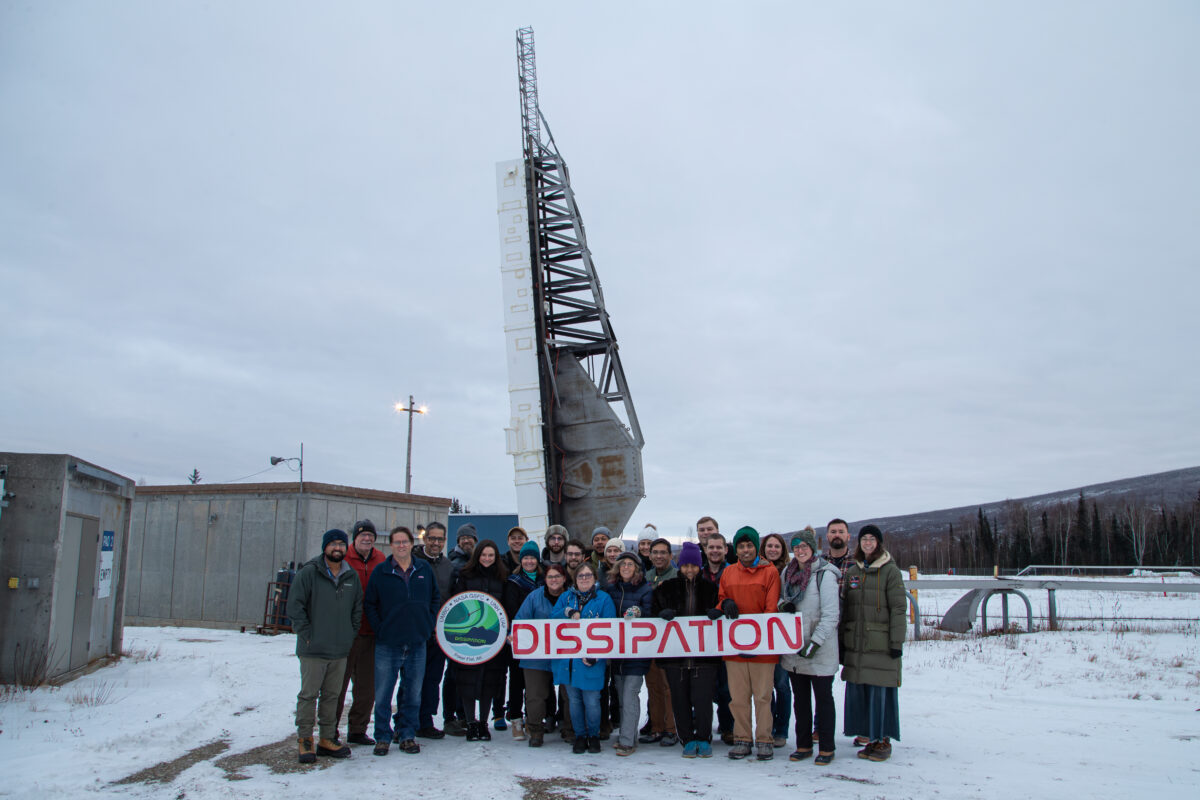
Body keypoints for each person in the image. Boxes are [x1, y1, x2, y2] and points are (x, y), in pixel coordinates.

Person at [287, 529, 363, 763]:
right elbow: (295, 606)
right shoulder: (310, 572)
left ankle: (327, 738)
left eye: (342, 544)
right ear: (325, 547)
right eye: (333, 544)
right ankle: (305, 740)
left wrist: (350, 633)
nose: (338, 548)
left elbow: (357, 608)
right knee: (309, 696)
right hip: (313, 649)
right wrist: (307, 634)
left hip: (339, 649)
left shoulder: (351, 577)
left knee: (332, 695)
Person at [365, 526, 439, 756]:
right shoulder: (381, 572)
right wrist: (381, 628)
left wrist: (428, 623)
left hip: (417, 641)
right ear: (391, 546)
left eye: (404, 542)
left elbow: (435, 597)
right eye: (396, 542)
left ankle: (407, 734)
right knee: (384, 693)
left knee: (412, 693)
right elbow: (370, 604)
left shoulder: (423, 569)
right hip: (389, 643)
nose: (401, 546)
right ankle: (382, 737)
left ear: (411, 543)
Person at [840, 525, 905, 762]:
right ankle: (868, 736)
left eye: (872, 539)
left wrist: (897, 641)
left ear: (879, 543)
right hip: (857, 643)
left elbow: (899, 608)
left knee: (880, 692)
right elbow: (847, 608)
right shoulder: (854, 571)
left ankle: (883, 740)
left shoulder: (890, 571)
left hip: (881, 644)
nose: (867, 543)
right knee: (861, 690)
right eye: (864, 539)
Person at [716, 526, 781, 761]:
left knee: (763, 696)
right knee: (738, 697)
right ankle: (742, 737)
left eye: (749, 546)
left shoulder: (769, 572)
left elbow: (771, 608)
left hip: (762, 647)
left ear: (756, 547)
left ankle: (764, 738)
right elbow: (721, 599)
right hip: (734, 648)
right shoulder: (728, 572)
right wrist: (724, 605)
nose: (745, 550)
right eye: (741, 546)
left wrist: (758, 641)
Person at [778, 529, 841, 765]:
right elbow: (783, 598)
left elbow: (831, 615)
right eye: (796, 547)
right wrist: (783, 605)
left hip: (820, 649)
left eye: (804, 547)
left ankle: (826, 746)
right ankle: (803, 744)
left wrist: (815, 643)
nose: (800, 551)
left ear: (813, 548)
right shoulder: (788, 572)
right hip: (795, 649)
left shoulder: (824, 575)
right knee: (800, 699)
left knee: (823, 698)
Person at [653, 541, 720, 759]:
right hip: (676, 657)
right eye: (685, 565)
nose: (689, 570)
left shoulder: (711, 589)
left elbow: (723, 609)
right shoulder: (667, 588)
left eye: (693, 566)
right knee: (679, 699)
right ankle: (687, 738)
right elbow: (652, 615)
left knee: (703, 700)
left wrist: (716, 612)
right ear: (679, 566)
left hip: (704, 657)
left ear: (700, 566)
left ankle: (703, 736)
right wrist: (661, 614)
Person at [552, 562, 616, 754]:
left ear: (595, 578)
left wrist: (598, 655)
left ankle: (594, 735)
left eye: (588, 575)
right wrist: (567, 612)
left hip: (591, 661)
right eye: (581, 576)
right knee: (574, 701)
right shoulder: (566, 597)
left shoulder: (603, 599)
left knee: (592, 701)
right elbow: (551, 617)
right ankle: (580, 735)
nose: (585, 579)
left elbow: (610, 628)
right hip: (569, 661)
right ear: (575, 579)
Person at [451, 539, 509, 742]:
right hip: (468, 638)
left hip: (493, 639)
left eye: (491, 555)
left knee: (489, 682)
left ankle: (484, 723)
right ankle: (470, 723)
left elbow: (506, 607)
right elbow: (456, 606)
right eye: (484, 555)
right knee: (467, 681)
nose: (487, 559)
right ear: (478, 556)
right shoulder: (465, 576)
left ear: (496, 557)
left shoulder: (502, 577)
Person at [334, 519, 385, 746]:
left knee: (366, 687)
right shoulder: (343, 559)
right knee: (337, 685)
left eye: (370, 535)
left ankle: (357, 729)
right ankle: (330, 729)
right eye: (362, 535)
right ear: (354, 538)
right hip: (346, 634)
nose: (367, 539)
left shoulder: (381, 560)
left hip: (372, 633)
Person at [513, 562, 571, 747]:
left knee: (569, 694)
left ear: (564, 579)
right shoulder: (534, 597)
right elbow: (521, 620)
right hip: (537, 656)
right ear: (545, 579)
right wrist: (515, 635)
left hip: (565, 654)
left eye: (557, 576)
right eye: (550, 576)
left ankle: (570, 729)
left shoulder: (572, 597)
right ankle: (536, 730)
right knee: (535, 695)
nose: (554, 580)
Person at [603, 551, 653, 756]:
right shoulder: (610, 589)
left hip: (636, 652)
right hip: (617, 652)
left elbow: (651, 613)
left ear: (637, 568)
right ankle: (630, 736)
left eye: (630, 564)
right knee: (622, 697)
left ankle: (626, 741)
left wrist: (640, 613)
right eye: (622, 564)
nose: (626, 567)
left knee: (630, 694)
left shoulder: (644, 589)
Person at [414, 521, 458, 739]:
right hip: (415, 633)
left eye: (440, 539)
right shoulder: (412, 562)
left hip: (438, 635)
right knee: (412, 679)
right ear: (425, 539)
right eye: (432, 538)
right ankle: (406, 720)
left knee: (432, 679)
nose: (435, 543)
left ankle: (425, 720)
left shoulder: (448, 567)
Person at [501, 540, 544, 740]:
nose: (528, 561)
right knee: (517, 679)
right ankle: (516, 718)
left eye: (532, 557)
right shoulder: (514, 582)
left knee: (537, 681)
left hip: (542, 639)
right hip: (520, 636)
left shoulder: (545, 580)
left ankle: (534, 717)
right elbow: (511, 609)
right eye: (525, 557)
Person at [700, 528, 734, 744]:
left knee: (726, 687)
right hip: (701, 637)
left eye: (718, 547)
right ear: (705, 549)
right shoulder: (698, 572)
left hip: (727, 637)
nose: (714, 551)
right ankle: (701, 726)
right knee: (703, 686)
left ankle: (728, 727)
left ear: (725, 550)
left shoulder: (733, 572)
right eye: (710, 547)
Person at [761, 533, 792, 749]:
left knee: (781, 684)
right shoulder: (758, 569)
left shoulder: (789, 572)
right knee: (764, 686)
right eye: (769, 545)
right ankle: (767, 726)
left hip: (781, 633)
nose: (773, 549)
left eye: (777, 546)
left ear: (782, 549)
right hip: (761, 632)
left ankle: (781, 730)